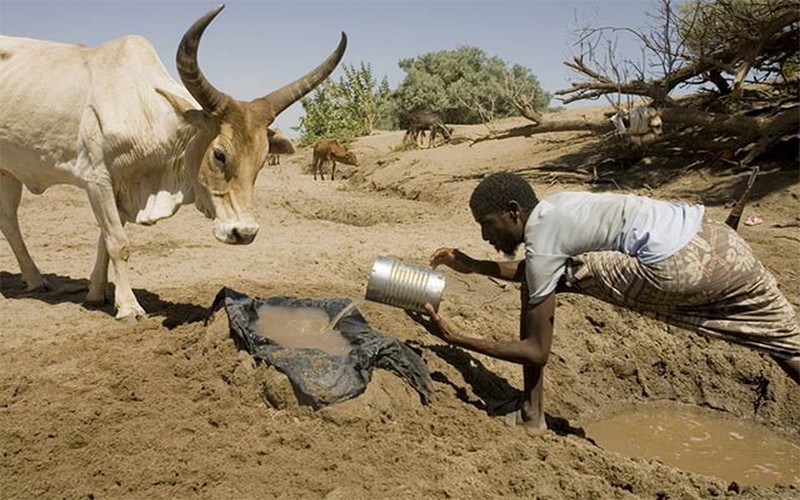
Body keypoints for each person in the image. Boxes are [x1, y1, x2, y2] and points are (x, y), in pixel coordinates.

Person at [406, 172, 800, 435]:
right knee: (783, 339)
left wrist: (454, 336)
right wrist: (476, 266)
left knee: (540, 287)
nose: (484, 234)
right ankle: (531, 411)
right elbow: (546, 267)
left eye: (486, 224)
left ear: (513, 213)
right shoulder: (561, 205)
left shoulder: (542, 238)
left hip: (677, 266)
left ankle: (531, 415)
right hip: (720, 241)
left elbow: (536, 350)